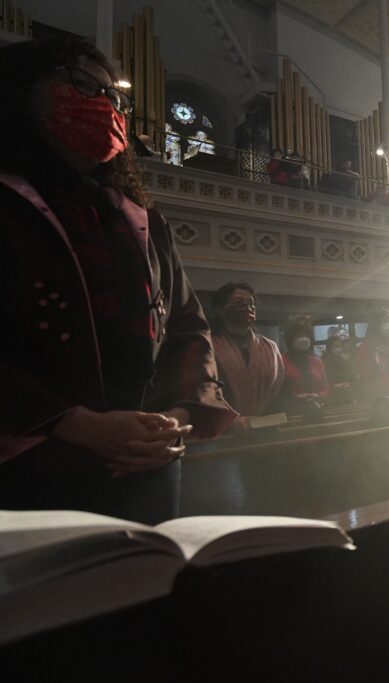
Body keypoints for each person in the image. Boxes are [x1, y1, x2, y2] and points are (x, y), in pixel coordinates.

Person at [0, 39, 234, 523]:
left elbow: (189, 329)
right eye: (84, 84)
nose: (105, 103)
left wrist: (178, 419)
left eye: (115, 96)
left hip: (146, 463)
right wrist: (75, 423)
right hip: (32, 469)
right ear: (20, 91)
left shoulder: (141, 218)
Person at [210, 282, 287, 425]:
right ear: (220, 309)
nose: (247, 308)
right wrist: (231, 421)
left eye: (250, 303)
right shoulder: (209, 346)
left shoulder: (270, 347)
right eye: (238, 302)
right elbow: (205, 392)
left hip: (266, 426)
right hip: (223, 430)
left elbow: (281, 389)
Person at [281, 316, 330, 403]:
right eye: (299, 335)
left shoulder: (316, 361)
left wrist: (319, 395)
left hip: (318, 407)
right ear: (290, 339)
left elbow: (326, 387)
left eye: (306, 335)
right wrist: (297, 397)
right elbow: (279, 391)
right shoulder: (281, 362)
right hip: (293, 410)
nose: (304, 339)